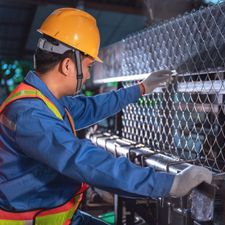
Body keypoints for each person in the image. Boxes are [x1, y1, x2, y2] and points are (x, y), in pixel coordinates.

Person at [0, 8, 212, 225]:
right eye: (88, 66)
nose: (89, 75)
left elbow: (92, 107)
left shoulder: (45, 102)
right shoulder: (30, 115)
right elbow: (82, 160)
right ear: (67, 65)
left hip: (57, 216)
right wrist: (169, 184)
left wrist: (141, 88)